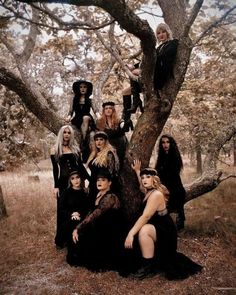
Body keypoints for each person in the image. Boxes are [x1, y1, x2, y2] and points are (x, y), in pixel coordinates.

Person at [124, 161, 202, 280]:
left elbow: (145, 216)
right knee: (142, 229)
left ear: (154, 179)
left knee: (144, 230)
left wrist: (131, 234)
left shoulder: (156, 195)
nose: (144, 180)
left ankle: (148, 267)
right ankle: (148, 262)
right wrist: (137, 171)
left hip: (165, 231)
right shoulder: (148, 191)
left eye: (148, 177)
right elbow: (142, 185)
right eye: (143, 177)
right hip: (157, 227)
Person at [67, 169, 124, 271]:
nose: (99, 182)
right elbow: (90, 212)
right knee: (79, 235)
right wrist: (79, 226)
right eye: (98, 180)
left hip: (111, 231)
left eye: (103, 180)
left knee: (89, 242)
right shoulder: (98, 194)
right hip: (100, 227)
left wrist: (78, 228)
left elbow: (96, 213)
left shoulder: (110, 196)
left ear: (109, 183)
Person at [50, 125, 90, 249]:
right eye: (64, 132)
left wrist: (89, 179)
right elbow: (55, 169)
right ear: (61, 134)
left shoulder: (75, 148)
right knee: (62, 210)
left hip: (77, 180)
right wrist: (56, 186)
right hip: (63, 183)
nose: (66, 134)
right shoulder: (55, 149)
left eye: (69, 132)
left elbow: (81, 167)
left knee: (77, 207)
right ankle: (60, 240)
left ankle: (76, 235)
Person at [155, 134, 186, 231]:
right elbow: (158, 171)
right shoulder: (161, 156)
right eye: (163, 142)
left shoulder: (175, 155)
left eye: (167, 142)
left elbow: (172, 174)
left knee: (173, 206)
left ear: (171, 143)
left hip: (174, 186)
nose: (165, 144)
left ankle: (177, 223)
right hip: (164, 185)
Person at [57, 170, 90, 247]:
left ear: (81, 179)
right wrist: (72, 214)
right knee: (73, 221)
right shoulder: (66, 192)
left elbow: (87, 208)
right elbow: (61, 208)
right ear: (70, 181)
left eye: (77, 177)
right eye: (73, 178)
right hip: (69, 218)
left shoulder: (84, 192)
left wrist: (79, 214)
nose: (76, 180)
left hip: (82, 217)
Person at [66, 80, 96, 162]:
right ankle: (79, 152)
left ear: (87, 89)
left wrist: (99, 116)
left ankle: (83, 141)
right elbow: (71, 111)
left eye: (85, 87)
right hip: (77, 118)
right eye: (81, 87)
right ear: (78, 88)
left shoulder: (90, 99)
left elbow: (95, 110)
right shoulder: (74, 98)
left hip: (87, 117)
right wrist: (68, 117)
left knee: (85, 118)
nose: (83, 89)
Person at [86, 131, 120, 199]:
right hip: (93, 185)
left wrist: (105, 190)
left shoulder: (109, 153)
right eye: (97, 140)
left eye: (101, 139)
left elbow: (111, 173)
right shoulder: (94, 154)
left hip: (103, 187)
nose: (99, 142)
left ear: (106, 141)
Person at [96, 101, 127, 166]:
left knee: (121, 138)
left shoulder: (118, 120)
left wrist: (124, 125)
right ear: (104, 111)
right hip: (107, 144)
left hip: (119, 144)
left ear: (113, 110)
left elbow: (123, 126)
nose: (108, 110)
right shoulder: (100, 122)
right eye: (106, 108)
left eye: (110, 108)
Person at [154, 23, 178, 92]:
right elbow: (148, 59)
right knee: (126, 91)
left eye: (163, 32)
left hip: (161, 77)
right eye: (158, 33)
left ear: (167, 32)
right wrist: (134, 66)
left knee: (136, 72)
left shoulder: (173, 43)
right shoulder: (158, 48)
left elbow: (164, 56)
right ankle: (136, 102)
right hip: (153, 74)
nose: (161, 35)